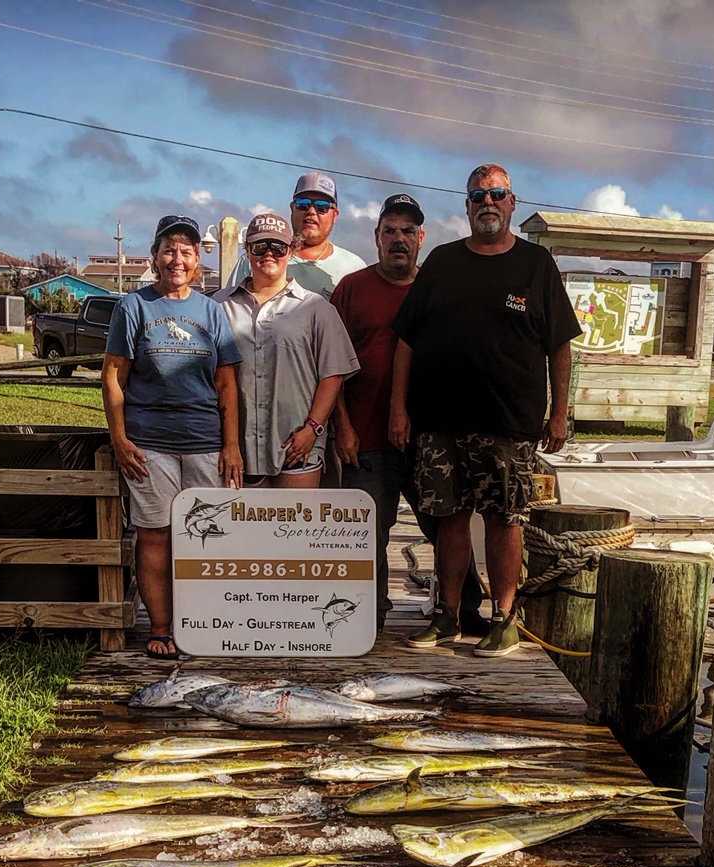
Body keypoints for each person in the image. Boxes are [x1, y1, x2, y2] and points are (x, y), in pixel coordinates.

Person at [390, 164, 580, 656]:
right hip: (438, 421)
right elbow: (406, 341)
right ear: (467, 205)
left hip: (508, 422)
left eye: (497, 194)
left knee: (505, 520)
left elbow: (560, 345)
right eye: (478, 196)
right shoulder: (442, 261)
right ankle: (447, 616)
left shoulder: (536, 265)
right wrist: (398, 409)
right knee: (448, 520)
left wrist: (559, 414)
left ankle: (504, 618)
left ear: (512, 203)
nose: (487, 203)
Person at [331, 193, 484, 633]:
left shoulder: (439, 287)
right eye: (389, 231)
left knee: (447, 529)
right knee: (366, 538)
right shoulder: (351, 289)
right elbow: (332, 369)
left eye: (407, 231)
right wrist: (343, 428)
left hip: (430, 440)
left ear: (422, 238)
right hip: (365, 440)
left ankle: (464, 610)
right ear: (376, 238)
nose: (398, 239)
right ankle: (366, 619)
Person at [103, 213, 242, 659]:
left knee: (207, 537)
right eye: (169, 249)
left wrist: (232, 444)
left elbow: (226, 384)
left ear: (197, 259)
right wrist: (120, 440)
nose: (176, 259)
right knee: (155, 535)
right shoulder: (133, 307)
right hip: (149, 444)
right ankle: (161, 626)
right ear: (154, 256)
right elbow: (112, 377)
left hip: (204, 440)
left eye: (186, 250)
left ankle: (203, 623)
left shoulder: (211, 311)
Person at [215, 212, 359, 486]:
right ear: (247, 250)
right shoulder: (218, 306)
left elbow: (333, 375)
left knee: (296, 529)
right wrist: (227, 442)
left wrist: (313, 429)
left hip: (297, 445)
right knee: (242, 529)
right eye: (260, 246)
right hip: (237, 449)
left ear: (290, 251)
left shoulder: (316, 308)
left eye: (278, 247)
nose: (269, 254)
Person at [228, 172, 366, 297]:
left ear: (335, 215)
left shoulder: (354, 268)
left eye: (321, 206)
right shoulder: (256, 258)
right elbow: (228, 310)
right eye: (303, 204)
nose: (311, 211)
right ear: (292, 208)